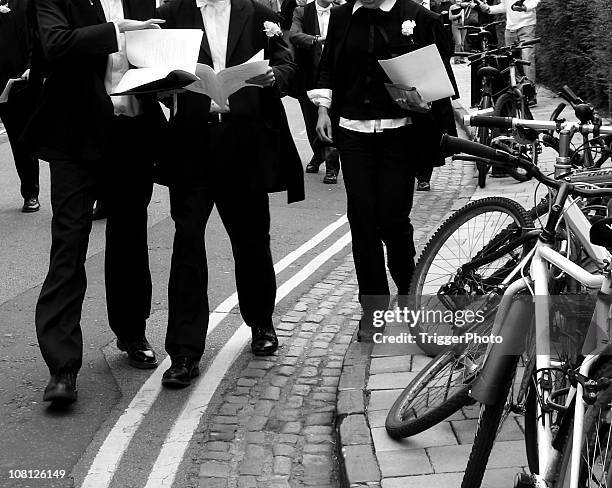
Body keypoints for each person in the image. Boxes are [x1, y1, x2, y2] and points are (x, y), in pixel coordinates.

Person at [22, 0, 166, 404]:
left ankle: (131, 331)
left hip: (132, 133)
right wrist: (118, 28)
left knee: (130, 240)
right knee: (69, 245)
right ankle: (62, 366)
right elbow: (56, 43)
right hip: (75, 135)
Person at [155, 0, 304, 388]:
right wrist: (163, 86)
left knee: (253, 240)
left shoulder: (259, 14)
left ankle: (261, 322)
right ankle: (184, 351)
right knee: (186, 245)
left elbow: (288, 65)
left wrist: (273, 77)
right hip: (191, 144)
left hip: (245, 143)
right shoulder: (173, 15)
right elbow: (153, 72)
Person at [311, 0, 457, 340]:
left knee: (393, 220)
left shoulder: (417, 16)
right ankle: (373, 310)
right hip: (353, 133)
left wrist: (427, 98)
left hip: (399, 134)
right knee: (362, 221)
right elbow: (328, 66)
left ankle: (410, 296)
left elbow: (439, 74)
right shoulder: (342, 16)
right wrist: (322, 108)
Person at [289, 0, 340, 184]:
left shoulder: (340, 10)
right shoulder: (302, 12)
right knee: (311, 121)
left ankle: (332, 165)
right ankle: (318, 155)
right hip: (308, 75)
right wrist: (316, 40)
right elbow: (295, 35)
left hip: (334, 75)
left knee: (331, 119)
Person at [0, 0, 41, 213]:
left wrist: (31, 67)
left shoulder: (24, 4)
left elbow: (36, 36)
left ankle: (30, 192)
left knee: (20, 140)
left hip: (17, 81)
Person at [478, 0, 539, 102]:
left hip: (527, 25)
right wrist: (489, 9)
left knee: (527, 58)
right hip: (510, 29)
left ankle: (530, 93)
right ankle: (517, 90)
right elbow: (504, 6)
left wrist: (525, 7)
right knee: (511, 60)